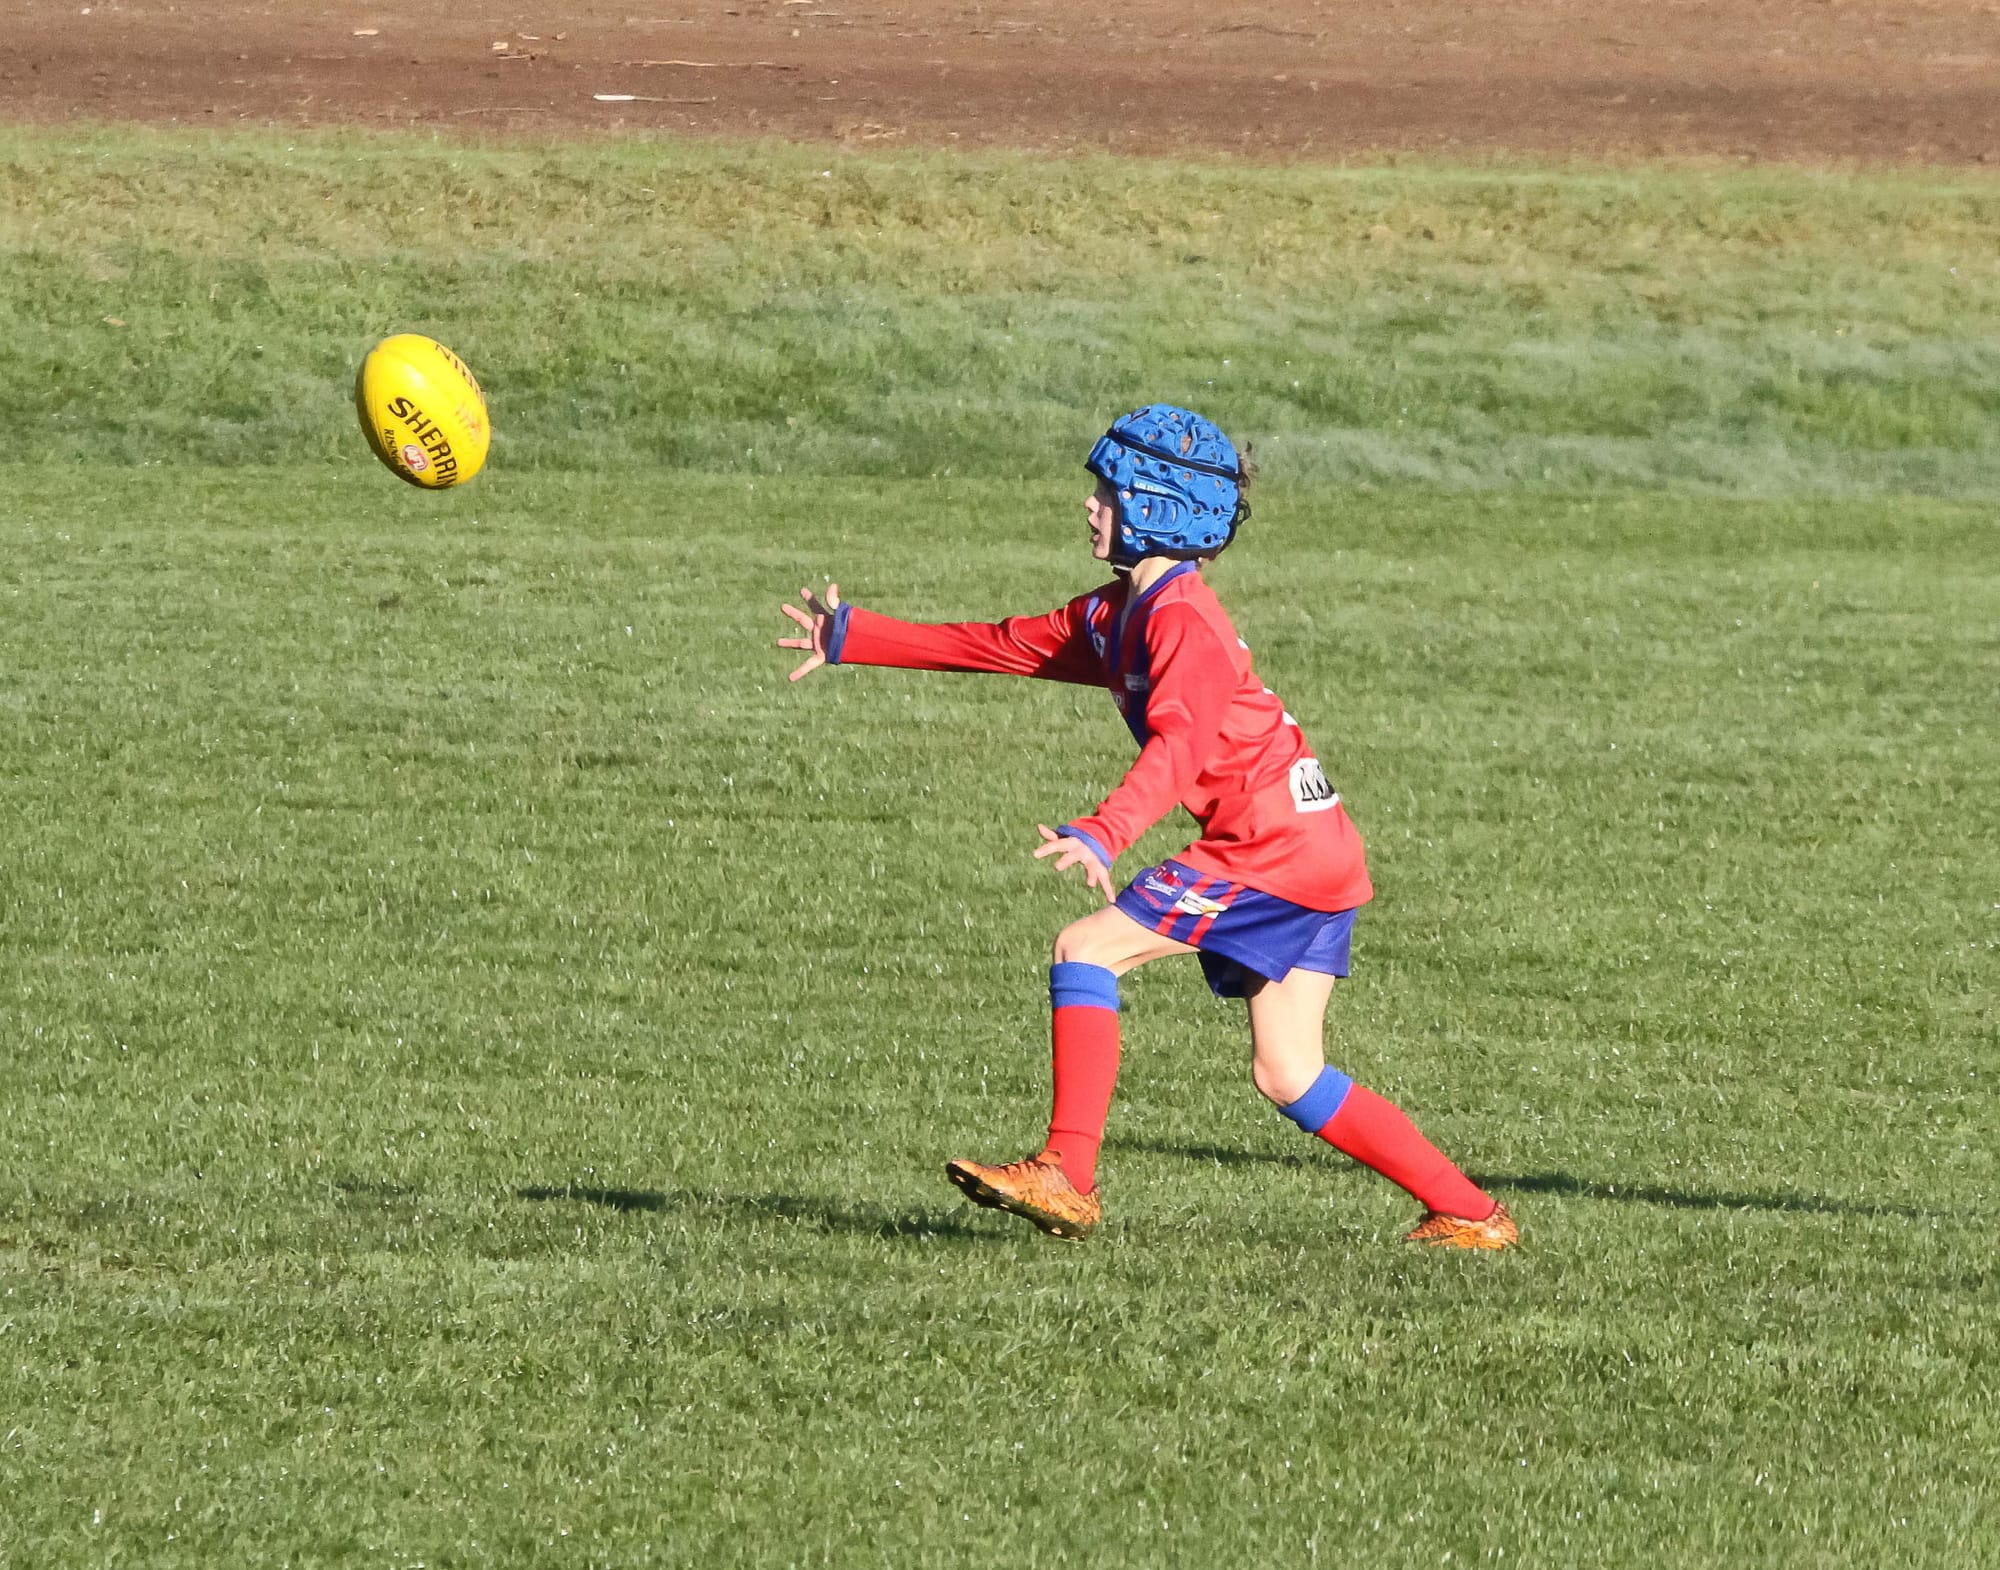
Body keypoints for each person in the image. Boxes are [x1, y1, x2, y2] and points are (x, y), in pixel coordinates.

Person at [777, 404, 1515, 1250]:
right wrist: (856, 636)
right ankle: (1472, 1213)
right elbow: (1007, 645)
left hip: (1268, 851)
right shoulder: (1119, 612)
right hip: (1315, 848)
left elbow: (1178, 747)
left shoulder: (1182, 626)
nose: (1091, 506)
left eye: (1107, 492)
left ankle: (1067, 1173)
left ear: (1156, 506)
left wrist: (1106, 829)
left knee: (1085, 949)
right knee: (1289, 1073)